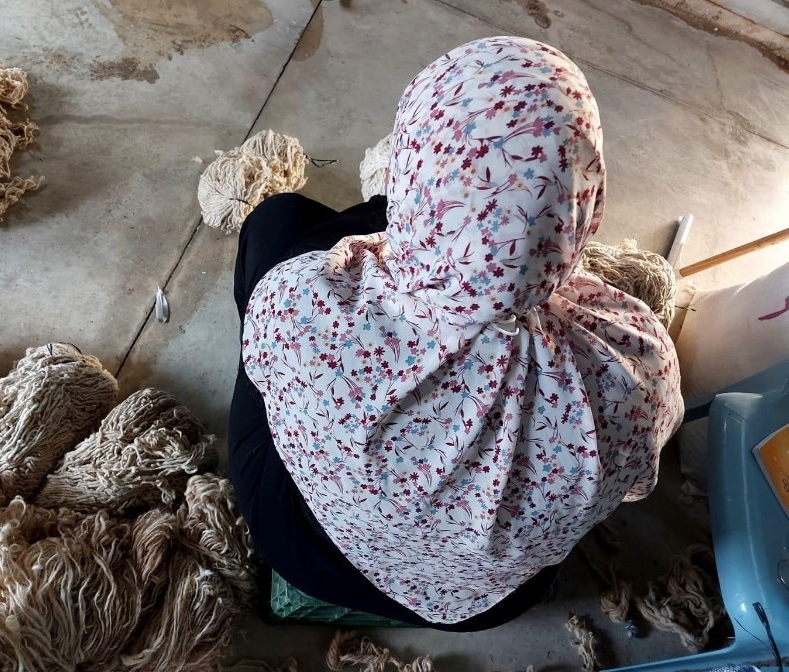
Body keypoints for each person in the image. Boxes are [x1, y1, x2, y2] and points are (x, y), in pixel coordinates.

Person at [228, 36, 684, 631]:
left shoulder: (297, 304)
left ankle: (400, 207)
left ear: (410, 162)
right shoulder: (638, 373)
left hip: (302, 547)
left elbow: (271, 371)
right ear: (585, 203)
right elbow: (630, 484)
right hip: (474, 607)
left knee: (277, 222)